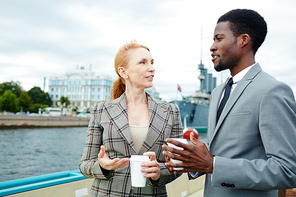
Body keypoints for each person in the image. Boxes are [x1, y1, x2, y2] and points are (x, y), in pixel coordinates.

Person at [162, 9, 296, 197]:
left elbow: (288, 170)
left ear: (243, 40)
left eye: (218, 38)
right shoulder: (217, 92)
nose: (212, 46)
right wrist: (190, 162)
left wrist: (213, 164)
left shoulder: (272, 91)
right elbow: (218, 151)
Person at [79, 40, 183, 197]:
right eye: (143, 62)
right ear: (123, 72)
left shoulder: (171, 111)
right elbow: (85, 164)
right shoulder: (101, 110)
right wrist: (103, 166)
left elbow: (178, 164)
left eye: (152, 62)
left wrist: (158, 172)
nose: (152, 68)